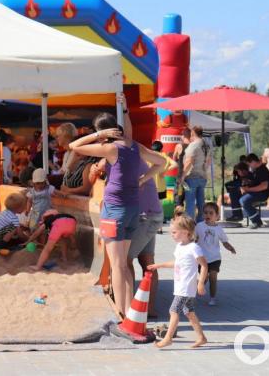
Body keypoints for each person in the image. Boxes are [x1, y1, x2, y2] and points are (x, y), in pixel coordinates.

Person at [68, 102, 166, 317]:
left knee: (119, 266)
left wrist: (98, 134)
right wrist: (143, 179)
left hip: (115, 211)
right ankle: (131, 313)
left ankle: (123, 315)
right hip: (133, 209)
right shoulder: (133, 146)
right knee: (124, 264)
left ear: (103, 132)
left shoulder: (110, 148)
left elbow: (73, 146)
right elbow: (161, 162)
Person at [149, 210, 208, 349]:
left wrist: (200, 283)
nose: (172, 235)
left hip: (186, 286)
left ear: (186, 232)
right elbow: (177, 263)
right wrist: (159, 265)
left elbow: (204, 265)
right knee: (189, 312)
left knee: (173, 310)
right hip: (180, 285)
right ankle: (201, 337)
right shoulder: (180, 247)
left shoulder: (194, 247)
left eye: (174, 232)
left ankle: (168, 338)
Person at [126, 159, 167, 318]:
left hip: (144, 216)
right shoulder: (138, 160)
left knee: (124, 262)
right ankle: (149, 308)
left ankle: (129, 308)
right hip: (152, 214)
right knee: (148, 263)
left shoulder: (124, 161)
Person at [194, 202, 236, 306]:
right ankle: (196, 291)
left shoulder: (219, 229)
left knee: (213, 277)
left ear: (217, 216)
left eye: (211, 213)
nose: (207, 215)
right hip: (202, 259)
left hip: (215, 258)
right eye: (205, 213)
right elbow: (194, 239)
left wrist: (230, 248)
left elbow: (224, 241)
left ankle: (212, 298)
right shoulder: (199, 226)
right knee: (204, 279)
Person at [182, 126, 210, 223]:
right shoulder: (207, 145)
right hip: (203, 176)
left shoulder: (194, 145)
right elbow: (208, 161)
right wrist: (204, 170)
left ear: (193, 133)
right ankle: (201, 223)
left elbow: (189, 161)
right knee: (201, 202)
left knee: (190, 202)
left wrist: (182, 176)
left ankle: (189, 224)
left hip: (192, 176)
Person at [240, 153, 269, 229]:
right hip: (256, 192)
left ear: (253, 161)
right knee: (235, 193)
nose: (249, 166)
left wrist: (248, 189)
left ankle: (256, 221)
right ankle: (237, 215)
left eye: (249, 164)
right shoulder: (256, 170)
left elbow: (264, 186)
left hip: (262, 194)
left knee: (244, 200)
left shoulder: (262, 170)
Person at [172, 129, 191, 208]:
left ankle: (178, 216)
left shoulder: (179, 146)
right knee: (190, 199)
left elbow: (174, 158)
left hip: (180, 176)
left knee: (179, 198)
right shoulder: (194, 146)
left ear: (183, 135)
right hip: (191, 176)